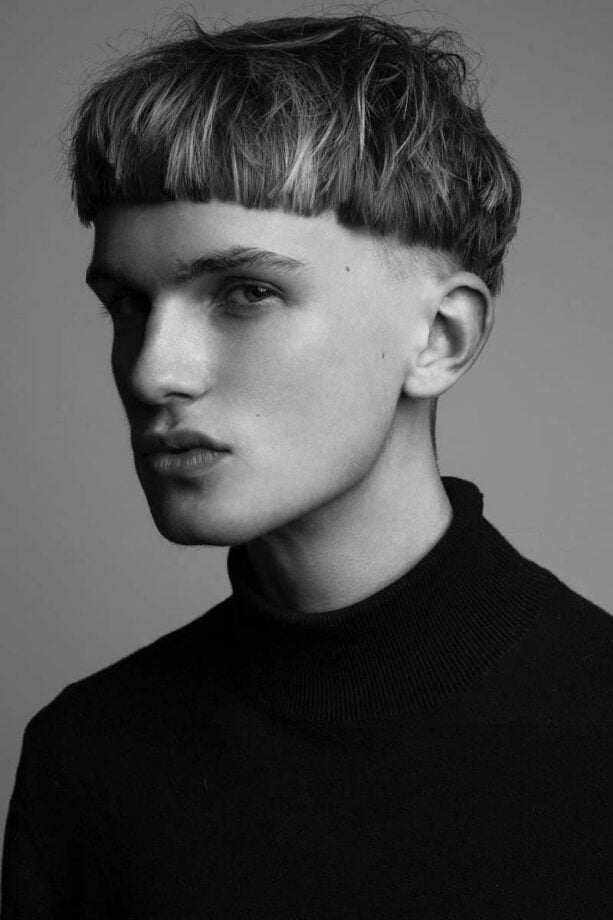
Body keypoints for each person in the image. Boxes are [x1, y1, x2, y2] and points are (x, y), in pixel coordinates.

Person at [2, 10, 612, 917]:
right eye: (128, 302)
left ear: (440, 337)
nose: (151, 369)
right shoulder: (90, 760)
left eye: (245, 292)